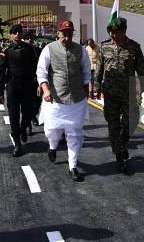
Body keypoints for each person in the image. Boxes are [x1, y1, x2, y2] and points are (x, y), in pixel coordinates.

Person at [36, 20, 92, 182]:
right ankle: (53, 146)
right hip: (55, 98)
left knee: (75, 133)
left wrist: (88, 88)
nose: (66, 37)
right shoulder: (49, 49)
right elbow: (41, 72)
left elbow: (87, 72)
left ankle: (72, 166)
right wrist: (46, 90)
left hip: (76, 99)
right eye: (63, 34)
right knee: (52, 130)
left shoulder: (81, 50)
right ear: (58, 33)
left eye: (69, 34)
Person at [95, 17, 144, 174]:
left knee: (132, 121)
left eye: (116, 32)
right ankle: (120, 157)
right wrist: (96, 87)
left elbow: (142, 71)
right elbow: (99, 69)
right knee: (113, 125)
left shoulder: (134, 47)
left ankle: (122, 145)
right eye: (111, 32)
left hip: (128, 93)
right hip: (110, 93)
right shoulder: (104, 47)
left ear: (123, 31)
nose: (113, 35)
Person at [0, 24, 38, 156]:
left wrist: (38, 85)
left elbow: (35, 69)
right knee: (13, 116)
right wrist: (0, 90)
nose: (17, 35)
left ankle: (23, 128)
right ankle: (17, 144)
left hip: (27, 86)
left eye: (19, 32)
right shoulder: (7, 51)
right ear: (10, 35)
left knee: (28, 113)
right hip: (12, 87)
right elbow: (2, 72)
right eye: (14, 33)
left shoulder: (30, 49)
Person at [22, 31, 42, 131]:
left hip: (36, 80)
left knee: (38, 102)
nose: (30, 40)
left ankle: (33, 115)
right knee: (27, 102)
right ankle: (28, 121)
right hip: (24, 81)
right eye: (28, 38)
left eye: (31, 38)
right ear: (24, 39)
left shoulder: (37, 50)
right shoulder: (20, 50)